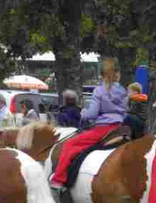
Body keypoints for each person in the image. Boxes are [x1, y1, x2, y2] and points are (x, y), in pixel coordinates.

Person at [50, 57, 127, 190]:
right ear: (117, 74)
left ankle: (58, 179)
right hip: (119, 129)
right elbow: (124, 112)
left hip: (102, 129)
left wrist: (83, 113)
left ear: (102, 75)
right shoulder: (123, 91)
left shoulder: (99, 90)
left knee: (70, 144)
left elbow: (92, 114)